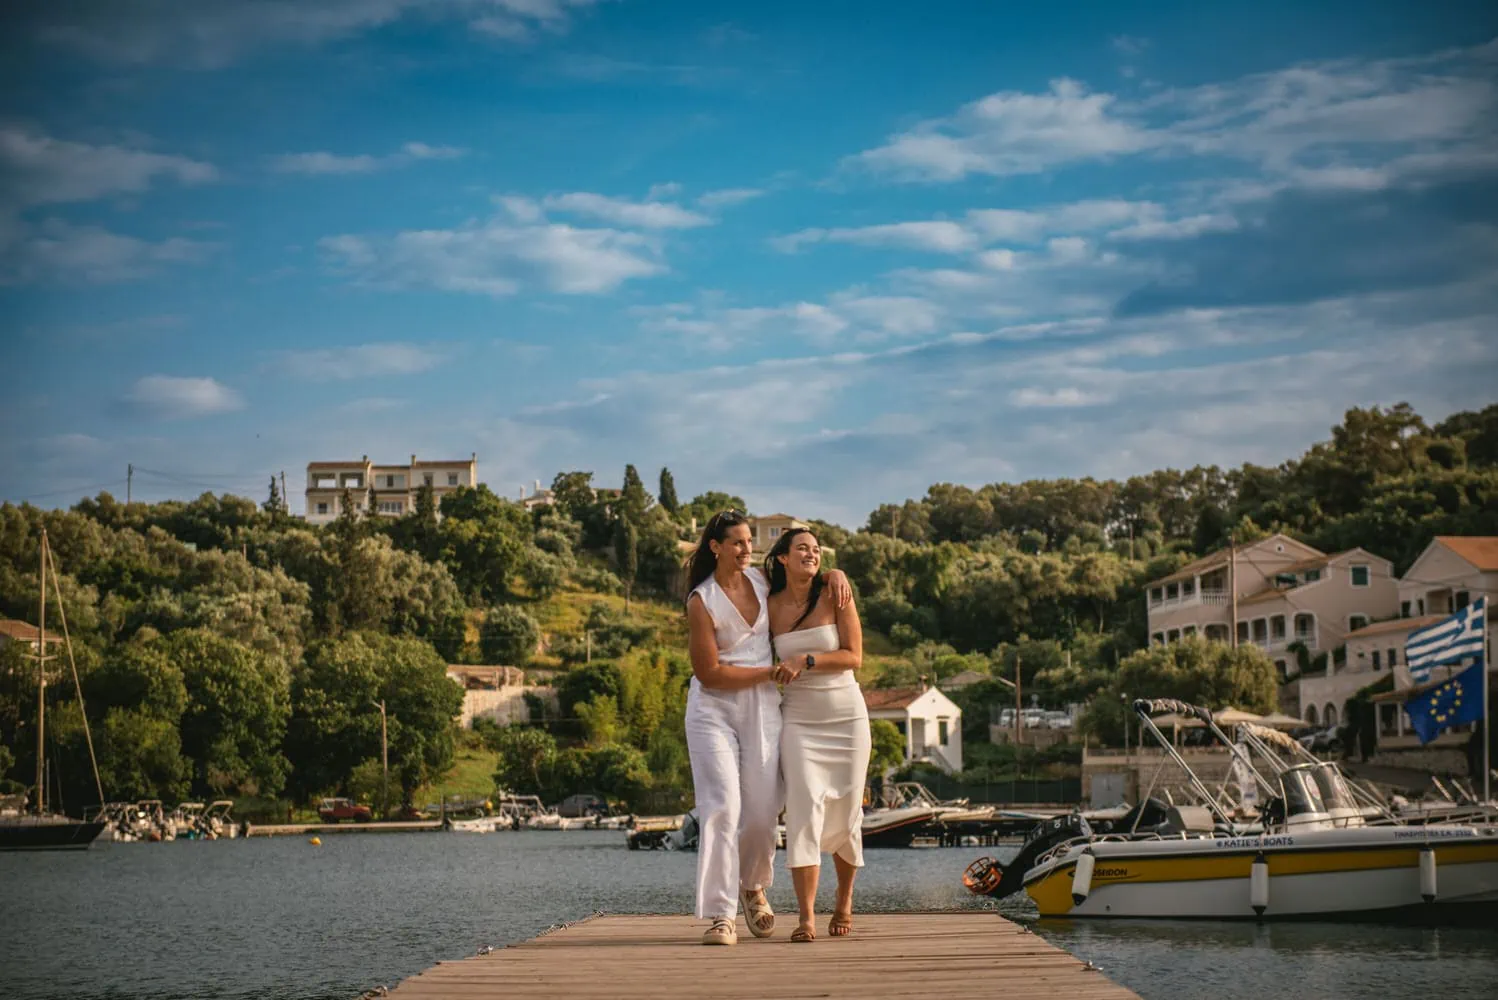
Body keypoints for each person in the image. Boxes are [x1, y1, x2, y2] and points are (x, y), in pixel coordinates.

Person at [684, 510, 849, 946]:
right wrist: (767, 674)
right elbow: (709, 674)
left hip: (762, 708)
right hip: (713, 710)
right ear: (715, 547)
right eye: (736, 542)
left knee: (760, 814)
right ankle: (721, 916)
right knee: (721, 808)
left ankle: (752, 884)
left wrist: (835, 572)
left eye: (748, 542)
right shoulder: (701, 600)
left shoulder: (761, 582)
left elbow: (802, 575)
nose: (745, 549)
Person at [765, 527, 868, 943]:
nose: (811, 554)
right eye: (801, 548)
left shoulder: (836, 593)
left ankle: (843, 902)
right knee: (804, 810)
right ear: (783, 558)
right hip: (799, 719)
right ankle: (806, 917)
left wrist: (805, 659)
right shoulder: (767, 604)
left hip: (846, 715)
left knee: (847, 810)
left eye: (817, 550)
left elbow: (854, 657)